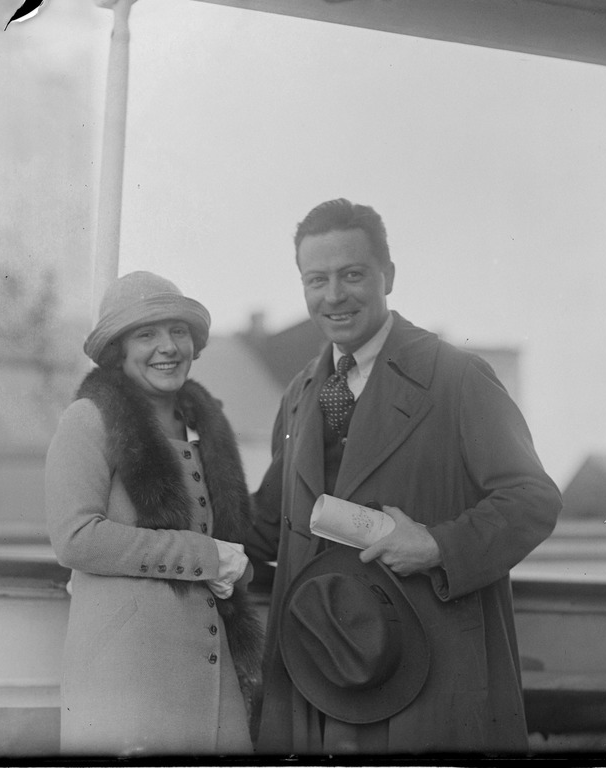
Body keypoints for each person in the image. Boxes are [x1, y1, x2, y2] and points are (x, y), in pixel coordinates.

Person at [245, 199, 563, 754]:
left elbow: (532, 499)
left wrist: (438, 545)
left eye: (352, 275)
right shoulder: (299, 394)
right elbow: (269, 526)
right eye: (316, 280)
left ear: (387, 275)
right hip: (317, 667)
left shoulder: (458, 377)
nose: (334, 296)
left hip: (425, 668)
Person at [45, 271, 263, 756]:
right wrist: (203, 555)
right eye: (146, 334)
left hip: (211, 675)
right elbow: (75, 537)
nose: (167, 347)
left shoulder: (206, 425)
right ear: (119, 350)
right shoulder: (88, 420)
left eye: (178, 331)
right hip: (126, 683)